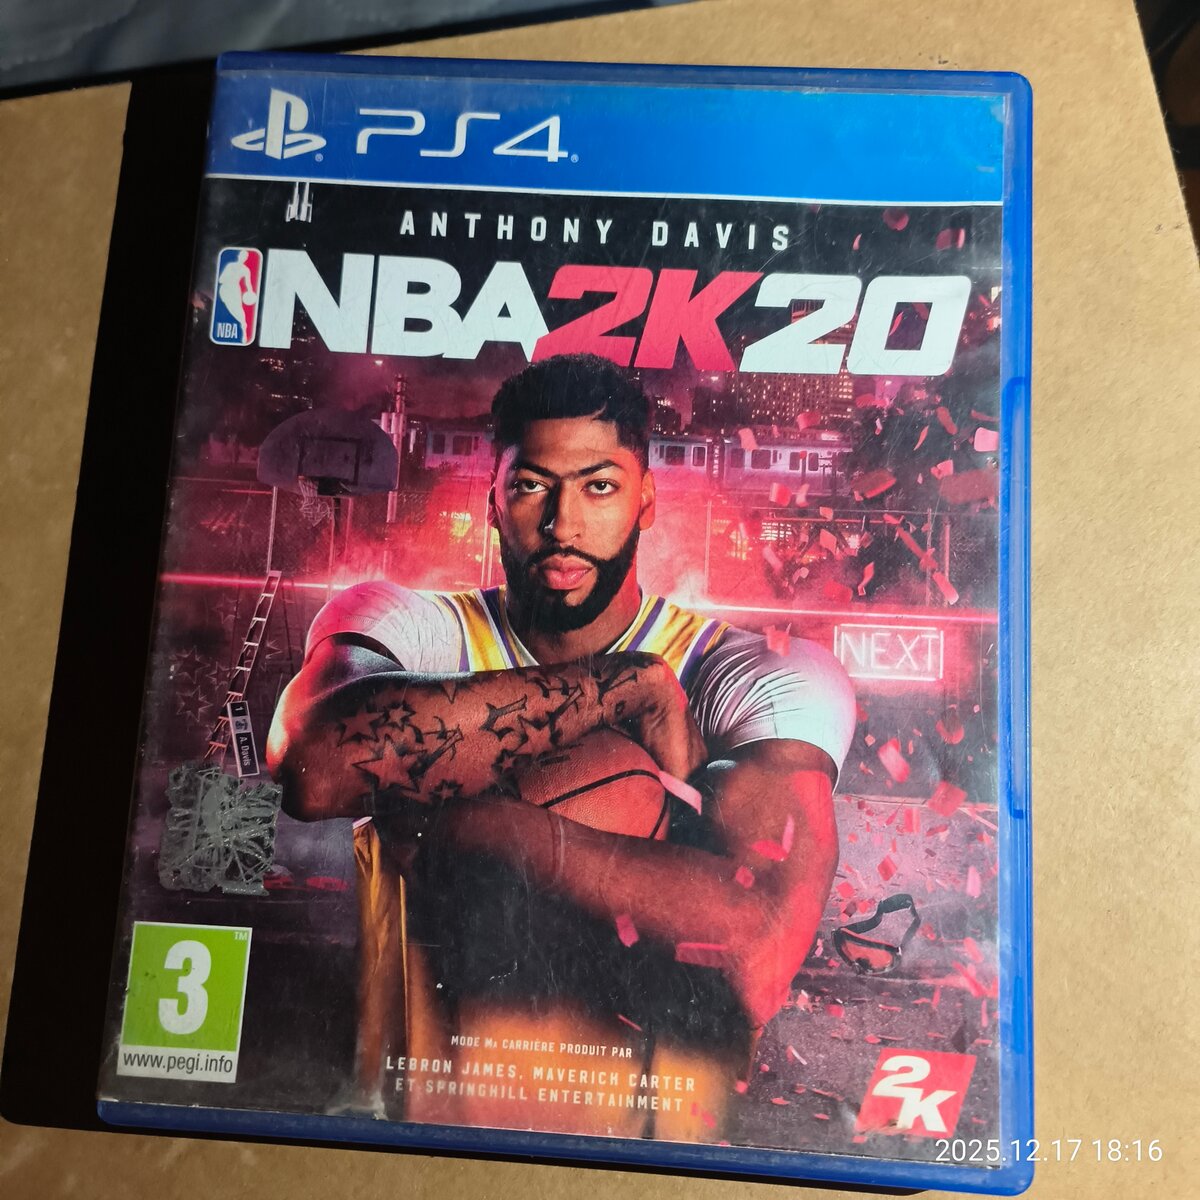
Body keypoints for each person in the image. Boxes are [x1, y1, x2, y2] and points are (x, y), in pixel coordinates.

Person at [267, 353, 855, 1141]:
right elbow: (314, 769)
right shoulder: (406, 622)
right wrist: (623, 687)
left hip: (648, 1162)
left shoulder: (756, 672)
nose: (563, 524)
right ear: (492, 500)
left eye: (599, 486)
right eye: (531, 485)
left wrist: (493, 828)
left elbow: (762, 952)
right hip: (414, 1139)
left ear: (647, 499)